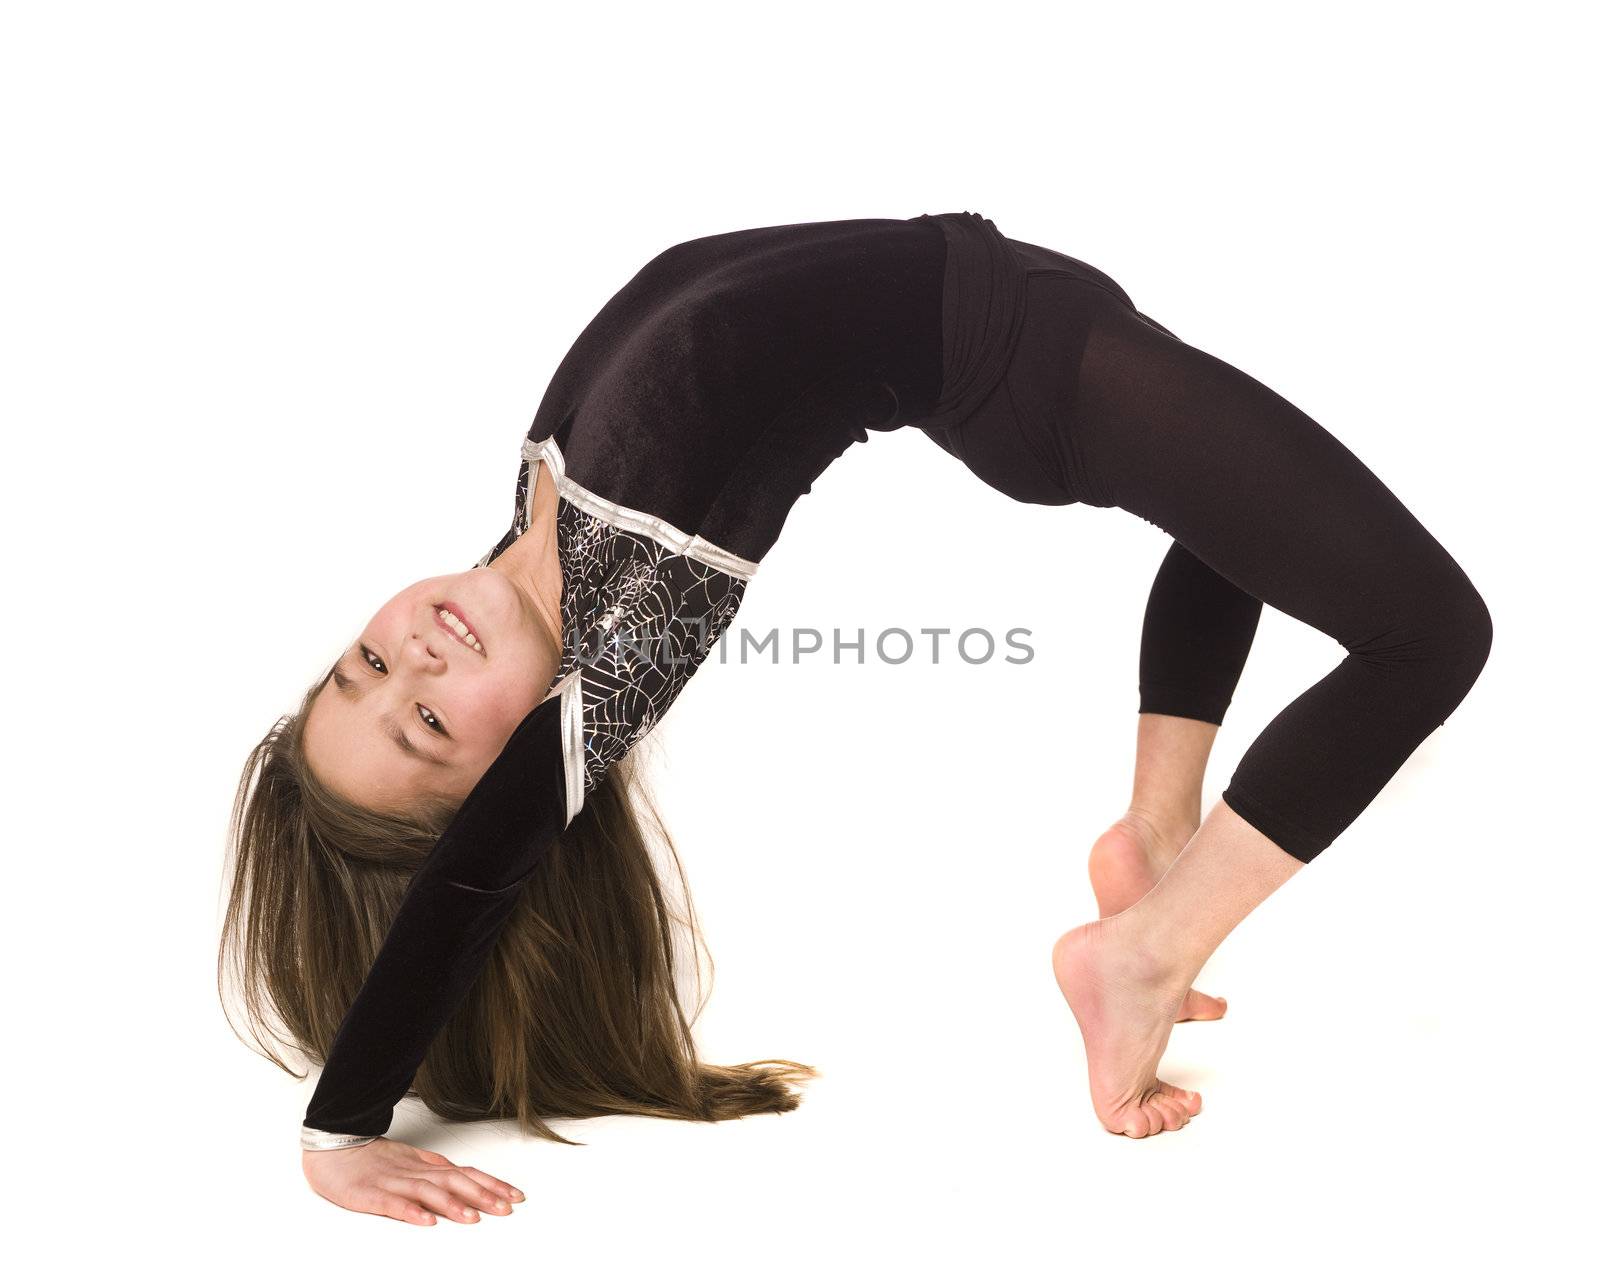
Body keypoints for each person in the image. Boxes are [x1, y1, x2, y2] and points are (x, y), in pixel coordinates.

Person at [219, 211, 1491, 1225]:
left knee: (1239, 526)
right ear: (511, 772)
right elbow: (467, 884)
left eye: (364, 666)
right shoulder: (623, 635)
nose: (413, 661)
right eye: (429, 725)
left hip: (1033, 318)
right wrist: (339, 1129)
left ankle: (1151, 836)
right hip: (1029, 371)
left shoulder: (536, 510)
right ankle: (1143, 948)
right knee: (1428, 635)